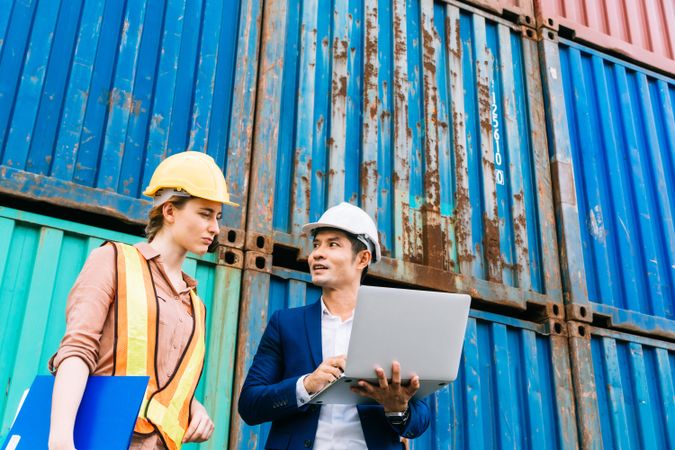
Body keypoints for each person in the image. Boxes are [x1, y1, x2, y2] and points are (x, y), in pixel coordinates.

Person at [48, 151, 237, 450]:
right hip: (98, 440)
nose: (215, 228)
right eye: (204, 214)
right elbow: (77, 350)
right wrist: (60, 440)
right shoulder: (113, 260)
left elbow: (158, 383)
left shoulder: (196, 306)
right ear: (170, 212)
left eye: (217, 217)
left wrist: (192, 406)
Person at [238, 202, 431, 449]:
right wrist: (306, 385)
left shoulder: (394, 328)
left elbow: (421, 418)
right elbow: (250, 405)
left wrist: (397, 408)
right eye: (316, 244)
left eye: (333, 244)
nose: (317, 253)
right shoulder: (285, 324)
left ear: (363, 258)